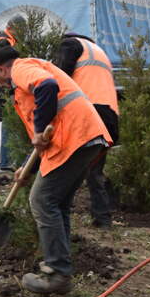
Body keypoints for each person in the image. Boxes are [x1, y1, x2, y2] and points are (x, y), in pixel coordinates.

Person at [0, 43, 112, 295]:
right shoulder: (23, 86)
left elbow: (47, 86)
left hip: (75, 137)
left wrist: (41, 129)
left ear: (1, 69)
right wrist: (25, 169)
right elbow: (38, 141)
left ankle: (57, 273)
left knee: (41, 201)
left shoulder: (20, 69)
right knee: (57, 203)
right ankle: (60, 267)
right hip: (83, 137)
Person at [55, 32, 118, 228]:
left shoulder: (71, 45)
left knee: (66, 164)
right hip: (110, 117)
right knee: (94, 169)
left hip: (89, 113)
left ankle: (58, 209)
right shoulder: (100, 53)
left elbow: (59, 77)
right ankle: (103, 218)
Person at [0, 16, 25, 171]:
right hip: (1, 87)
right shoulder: (4, 41)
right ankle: (7, 161)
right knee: (10, 122)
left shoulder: (5, 38)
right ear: (13, 27)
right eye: (22, 29)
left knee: (9, 123)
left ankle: (8, 160)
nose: (23, 33)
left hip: (0, 85)